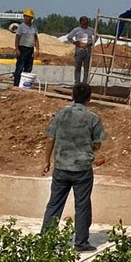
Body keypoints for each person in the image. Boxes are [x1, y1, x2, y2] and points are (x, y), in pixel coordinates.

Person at [41, 82, 105, 252]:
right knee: (82, 205)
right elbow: (97, 144)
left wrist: (47, 160)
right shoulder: (93, 118)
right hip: (82, 169)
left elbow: (50, 139)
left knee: (54, 204)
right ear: (89, 98)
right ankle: (81, 242)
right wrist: (85, 147)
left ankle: (45, 240)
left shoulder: (60, 114)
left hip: (61, 167)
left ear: (72, 96)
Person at [65, 16, 96, 85]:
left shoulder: (91, 30)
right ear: (80, 23)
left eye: (86, 23)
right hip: (79, 49)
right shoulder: (76, 30)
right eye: (83, 23)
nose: (85, 25)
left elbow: (97, 36)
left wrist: (92, 43)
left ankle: (85, 83)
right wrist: (76, 43)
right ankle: (77, 83)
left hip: (88, 48)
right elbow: (69, 37)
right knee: (77, 67)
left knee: (86, 67)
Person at [13, 8, 40, 88]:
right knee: (20, 67)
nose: (28, 18)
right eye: (27, 16)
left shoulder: (34, 28)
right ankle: (16, 85)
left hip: (30, 49)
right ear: (24, 17)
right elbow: (17, 38)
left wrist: (37, 49)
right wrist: (17, 49)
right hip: (22, 48)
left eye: (30, 17)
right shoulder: (21, 27)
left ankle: (24, 85)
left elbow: (36, 39)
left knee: (28, 68)